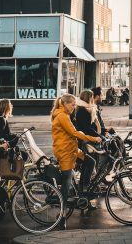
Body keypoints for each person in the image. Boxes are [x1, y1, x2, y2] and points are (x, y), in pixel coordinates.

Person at [51, 93, 101, 229]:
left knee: (90, 162)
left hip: (72, 149)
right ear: (65, 104)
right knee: (66, 184)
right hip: (65, 152)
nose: (74, 106)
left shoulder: (65, 114)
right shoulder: (62, 116)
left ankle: (83, 190)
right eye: (72, 104)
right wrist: (93, 138)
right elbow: (74, 132)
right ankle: (62, 214)